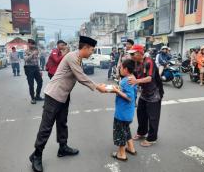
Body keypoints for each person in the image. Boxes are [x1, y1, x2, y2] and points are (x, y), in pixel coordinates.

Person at [29, 36, 107, 172]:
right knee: (46, 126)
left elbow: (80, 75)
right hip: (54, 95)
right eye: (92, 50)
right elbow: (80, 76)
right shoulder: (72, 56)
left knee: (62, 122)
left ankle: (62, 147)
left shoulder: (78, 58)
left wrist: (96, 85)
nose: (92, 53)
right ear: (85, 48)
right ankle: (37, 155)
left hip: (64, 95)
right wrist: (96, 87)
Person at [128, 44, 164, 147]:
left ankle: (152, 138)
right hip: (144, 92)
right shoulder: (137, 63)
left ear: (139, 53)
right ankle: (142, 132)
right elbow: (133, 75)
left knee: (153, 117)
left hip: (154, 93)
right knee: (141, 113)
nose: (131, 56)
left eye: (133, 54)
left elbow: (149, 78)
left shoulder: (149, 61)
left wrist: (136, 81)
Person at [110, 59, 137, 161]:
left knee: (120, 133)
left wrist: (116, 90)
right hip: (128, 113)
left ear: (125, 69)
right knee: (126, 130)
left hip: (122, 113)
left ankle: (121, 154)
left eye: (121, 67)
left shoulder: (126, 80)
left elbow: (129, 97)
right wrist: (117, 89)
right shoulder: (132, 77)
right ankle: (131, 148)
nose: (119, 69)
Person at [24, 39, 43, 104]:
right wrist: (32, 54)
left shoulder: (36, 51)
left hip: (36, 68)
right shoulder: (26, 51)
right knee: (31, 84)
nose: (32, 45)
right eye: (31, 44)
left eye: (33, 44)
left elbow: (37, 61)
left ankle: (37, 96)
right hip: (29, 68)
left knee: (40, 81)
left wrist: (39, 70)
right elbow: (26, 59)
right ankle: (32, 98)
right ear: (28, 44)